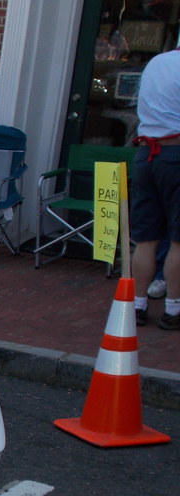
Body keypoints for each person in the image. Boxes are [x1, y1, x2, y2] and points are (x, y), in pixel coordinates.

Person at [131, 44, 180, 330]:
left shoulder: (156, 63)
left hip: (147, 155)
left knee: (146, 239)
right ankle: (173, 310)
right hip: (176, 154)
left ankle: (138, 304)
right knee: (178, 240)